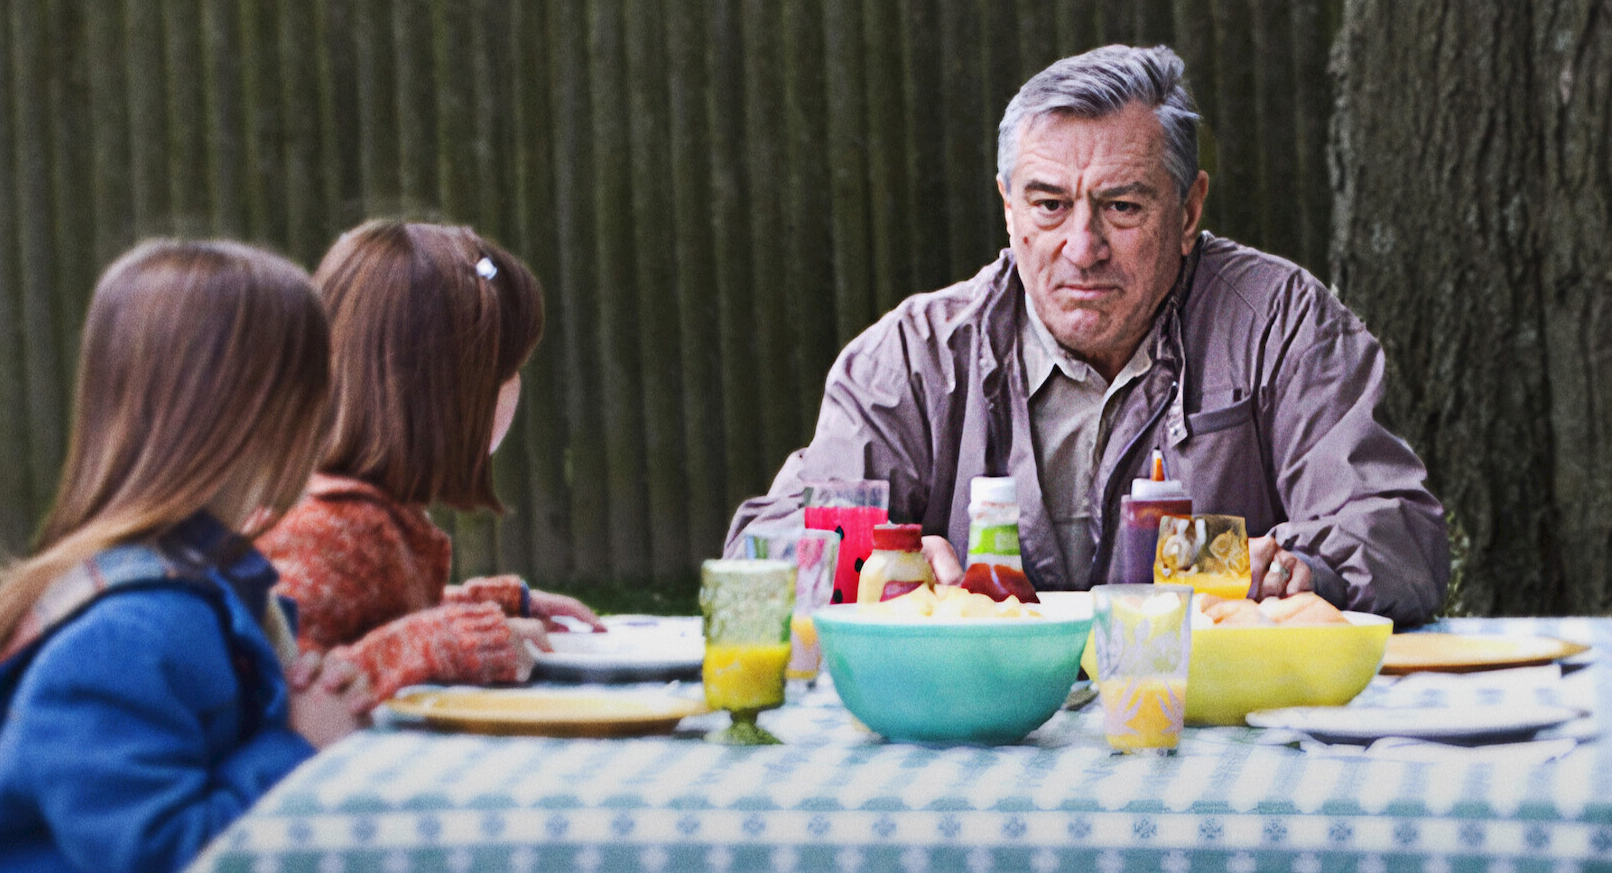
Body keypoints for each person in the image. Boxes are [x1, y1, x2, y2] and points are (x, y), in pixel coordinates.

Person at [725, 44, 1450, 626]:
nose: (1082, 247)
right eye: (1048, 205)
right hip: (978, 727)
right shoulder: (916, 356)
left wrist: (1288, 567)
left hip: (1217, 717)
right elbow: (768, 547)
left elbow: (1396, 532)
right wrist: (893, 556)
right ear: (1008, 208)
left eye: (1122, 207)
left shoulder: (1281, 324)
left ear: (1189, 210)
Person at [0, 240, 371, 873]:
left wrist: (302, 700)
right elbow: (165, 856)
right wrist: (299, 747)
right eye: (316, 394)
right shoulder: (124, 639)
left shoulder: (204, 587)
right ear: (262, 412)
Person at [259, 219, 602, 707]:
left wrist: (481, 608)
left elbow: (365, 618)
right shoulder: (321, 532)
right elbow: (279, 689)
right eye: (509, 369)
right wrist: (445, 641)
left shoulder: (363, 520)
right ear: (451, 391)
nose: (517, 385)